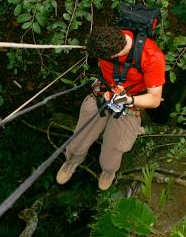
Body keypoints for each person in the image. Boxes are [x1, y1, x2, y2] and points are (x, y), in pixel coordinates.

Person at [56, 25, 166, 190]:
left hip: (129, 102)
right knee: (79, 139)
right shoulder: (106, 38)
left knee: (113, 150)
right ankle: (72, 162)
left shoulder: (152, 57)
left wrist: (127, 100)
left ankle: (108, 171)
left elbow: (154, 100)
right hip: (103, 93)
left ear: (113, 55)